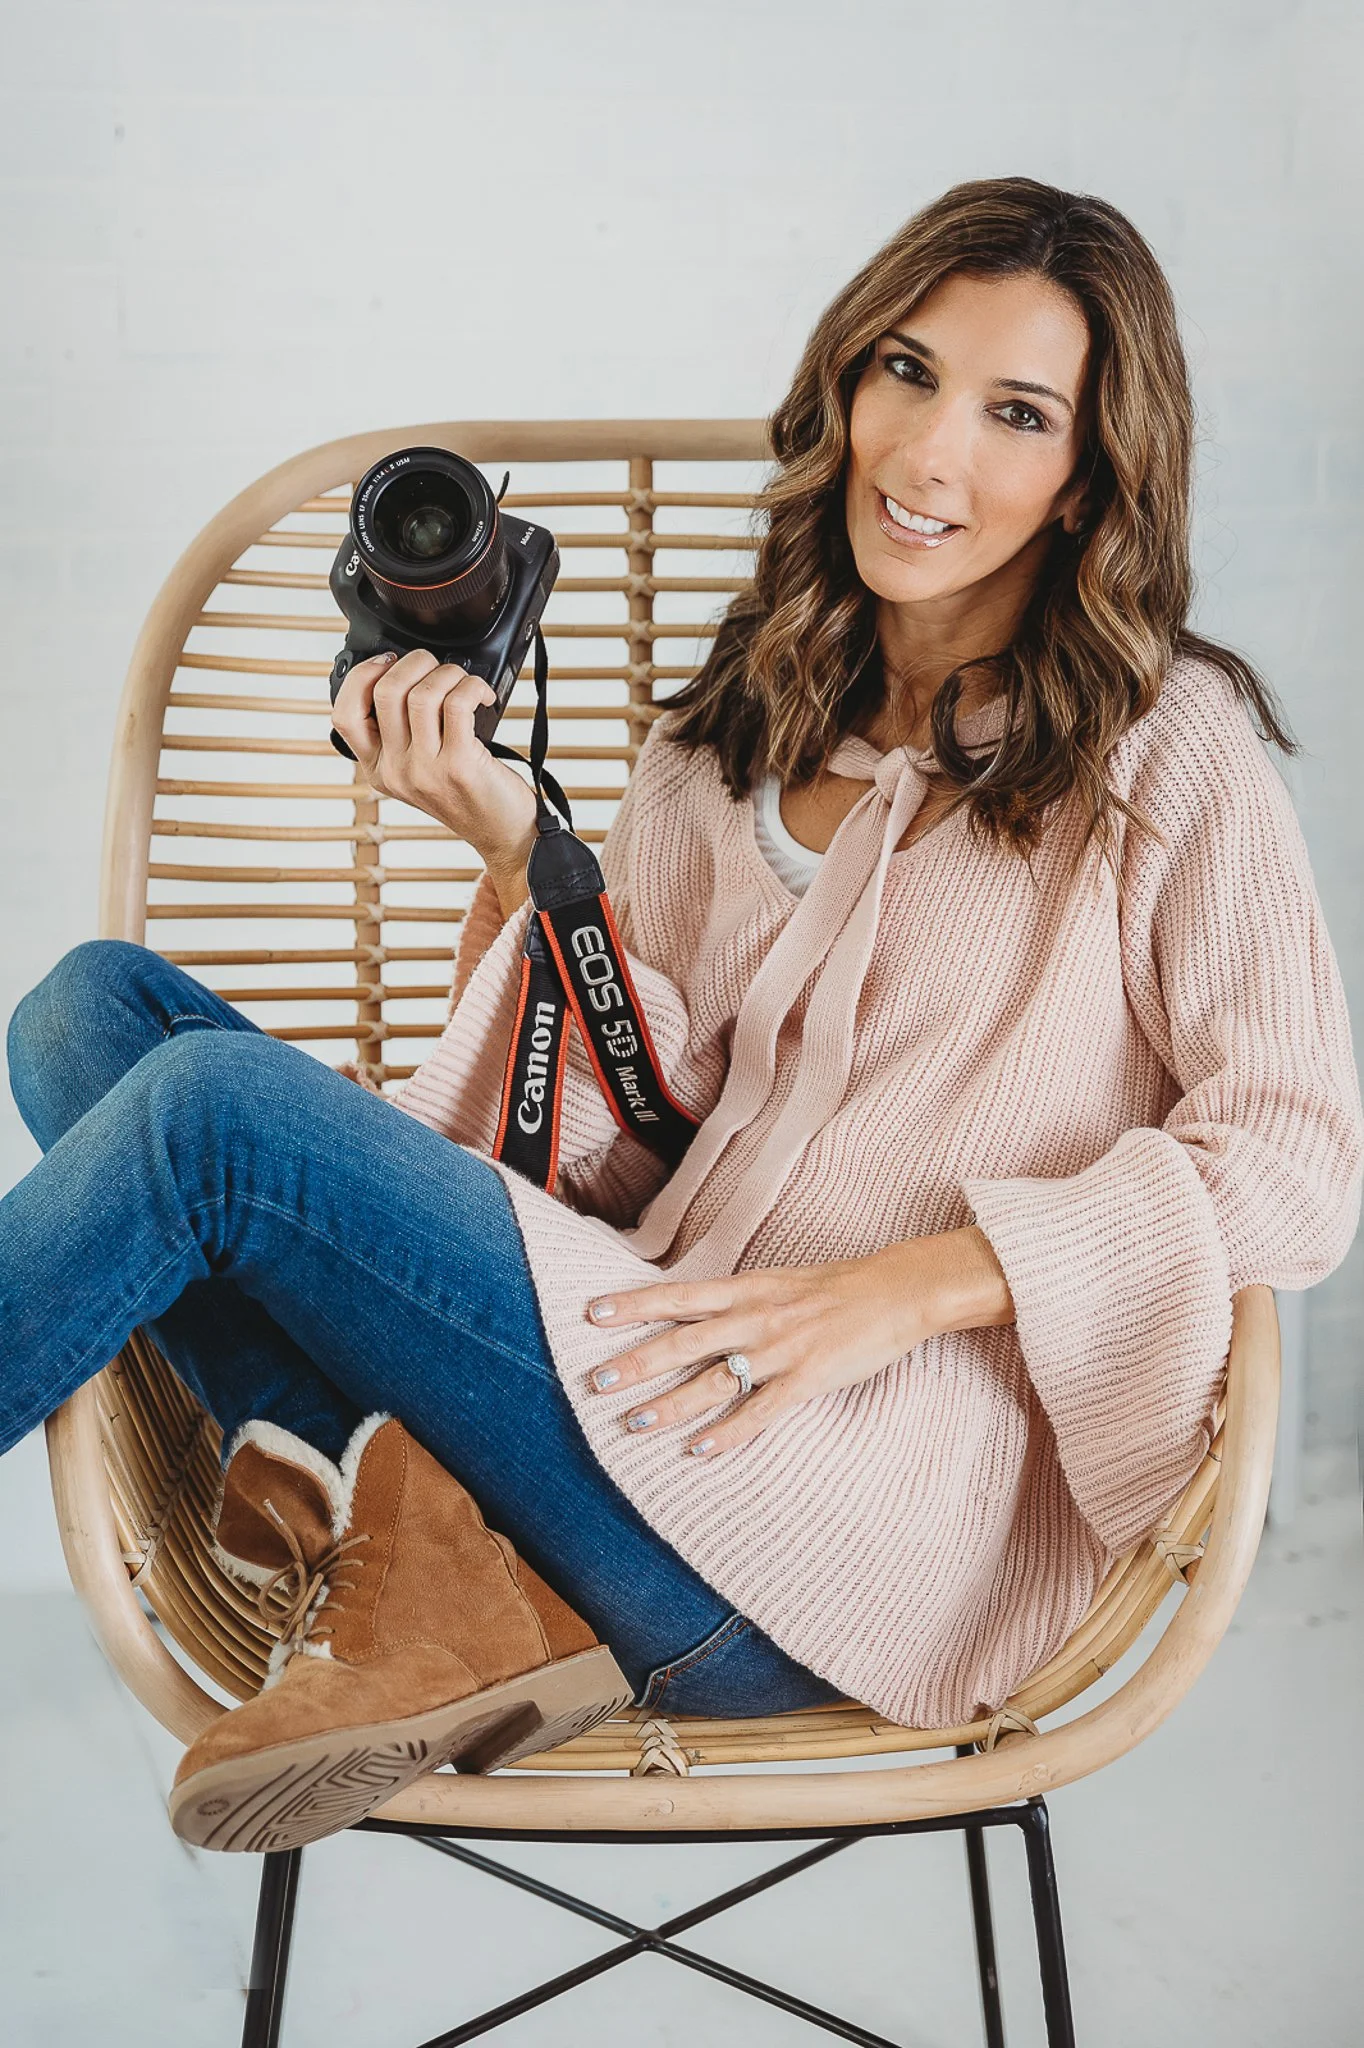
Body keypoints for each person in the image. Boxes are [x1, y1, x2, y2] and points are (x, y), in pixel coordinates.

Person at [5, 176, 1361, 1856]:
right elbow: (630, 1150)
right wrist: (515, 851)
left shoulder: (1172, 751)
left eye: (1017, 414)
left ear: (1089, 483)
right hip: (629, 1377)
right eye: (908, 372)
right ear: (845, 383)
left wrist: (913, 1286)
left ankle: (440, 1553)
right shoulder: (716, 748)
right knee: (86, 1018)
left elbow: (1298, 1159)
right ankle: (431, 1558)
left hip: (825, 1540)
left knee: (208, 1121)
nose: (931, 454)